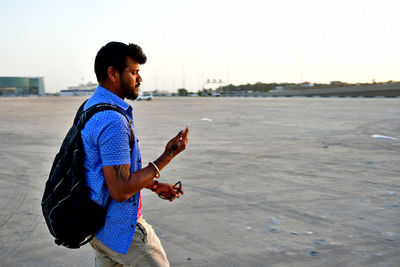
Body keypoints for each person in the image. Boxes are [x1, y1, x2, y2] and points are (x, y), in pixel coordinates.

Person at [81, 41, 189, 266]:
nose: (139, 78)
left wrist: (154, 185)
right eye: (133, 72)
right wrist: (167, 156)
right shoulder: (113, 120)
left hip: (98, 230)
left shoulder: (90, 107)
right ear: (113, 73)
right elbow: (120, 190)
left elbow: (103, 173)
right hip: (123, 231)